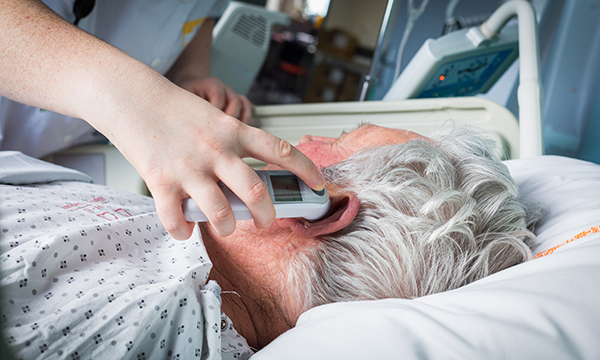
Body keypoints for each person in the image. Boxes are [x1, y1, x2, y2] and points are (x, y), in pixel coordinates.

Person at [0, 124, 544, 358]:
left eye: (333, 144)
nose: (304, 140)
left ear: (325, 211)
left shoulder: (142, 318)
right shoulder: (183, 242)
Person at [0, 0, 325, 241]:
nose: (312, 140)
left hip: (62, 153)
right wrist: (143, 104)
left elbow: (197, 13)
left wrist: (191, 76)